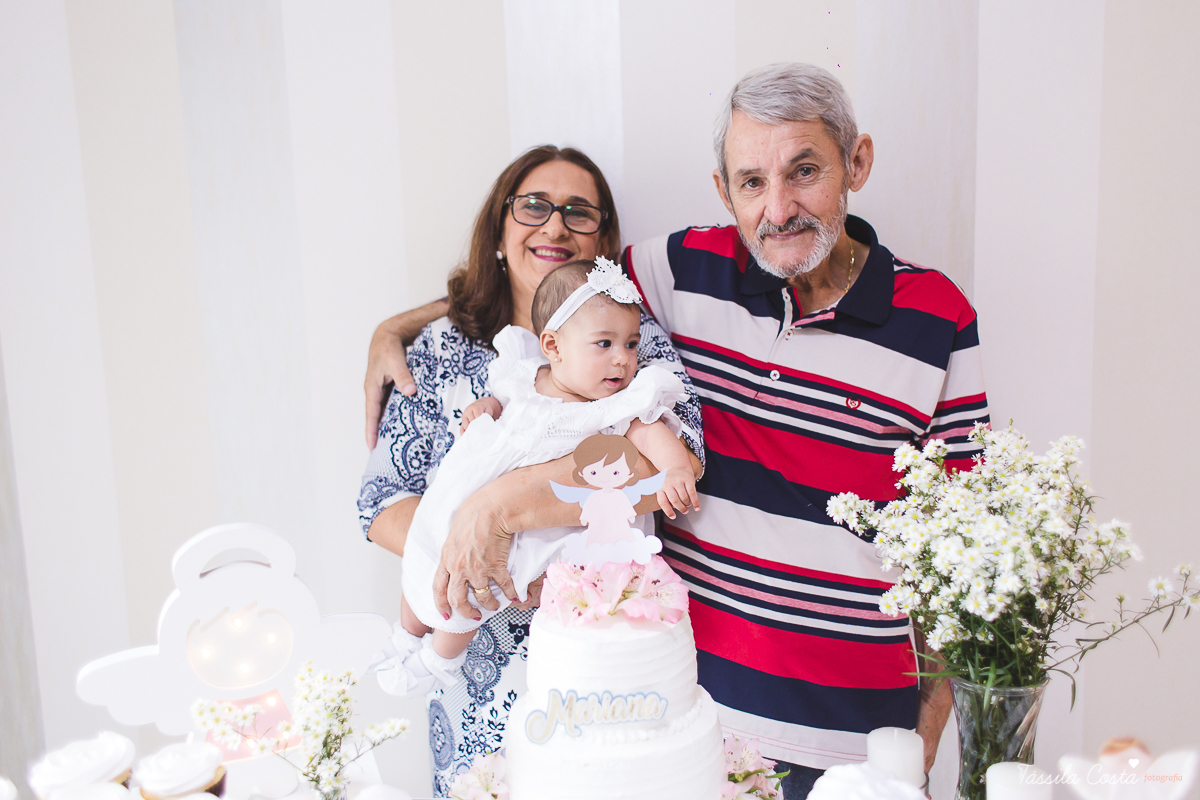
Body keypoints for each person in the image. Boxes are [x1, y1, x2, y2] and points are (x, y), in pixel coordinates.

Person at [364, 64, 990, 798]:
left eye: (805, 171)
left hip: (850, 742)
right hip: (684, 726)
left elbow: (964, 555)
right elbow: (554, 296)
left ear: (858, 162)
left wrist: (925, 737)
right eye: (751, 181)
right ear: (722, 192)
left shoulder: (937, 318)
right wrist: (401, 325)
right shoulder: (676, 272)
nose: (779, 207)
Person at [358, 145, 704, 796]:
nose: (554, 227)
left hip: (597, 672)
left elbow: (668, 458)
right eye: (534, 207)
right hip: (472, 681)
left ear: (604, 242)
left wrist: (509, 520)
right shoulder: (437, 349)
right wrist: (469, 553)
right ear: (498, 230)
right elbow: (379, 502)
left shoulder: (633, 343)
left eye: (579, 213)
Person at [381, 259, 699, 696]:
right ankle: (404, 634)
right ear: (553, 346)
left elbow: (652, 432)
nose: (623, 359)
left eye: (630, 343)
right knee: (428, 545)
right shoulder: (528, 373)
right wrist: (486, 409)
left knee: (475, 588)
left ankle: (438, 659)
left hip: (535, 528)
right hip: (468, 488)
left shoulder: (615, 405)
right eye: (604, 343)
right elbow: (500, 398)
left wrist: (675, 467)